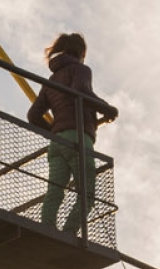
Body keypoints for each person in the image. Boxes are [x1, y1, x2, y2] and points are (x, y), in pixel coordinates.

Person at [26, 32, 119, 235]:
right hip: (78, 139)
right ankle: (69, 233)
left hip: (57, 143)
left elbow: (33, 115)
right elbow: (81, 90)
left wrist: (54, 132)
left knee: (54, 191)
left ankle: (48, 229)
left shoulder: (51, 80)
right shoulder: (81, 69)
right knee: (87, 194)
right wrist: (107, 109)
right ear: (81, 52)